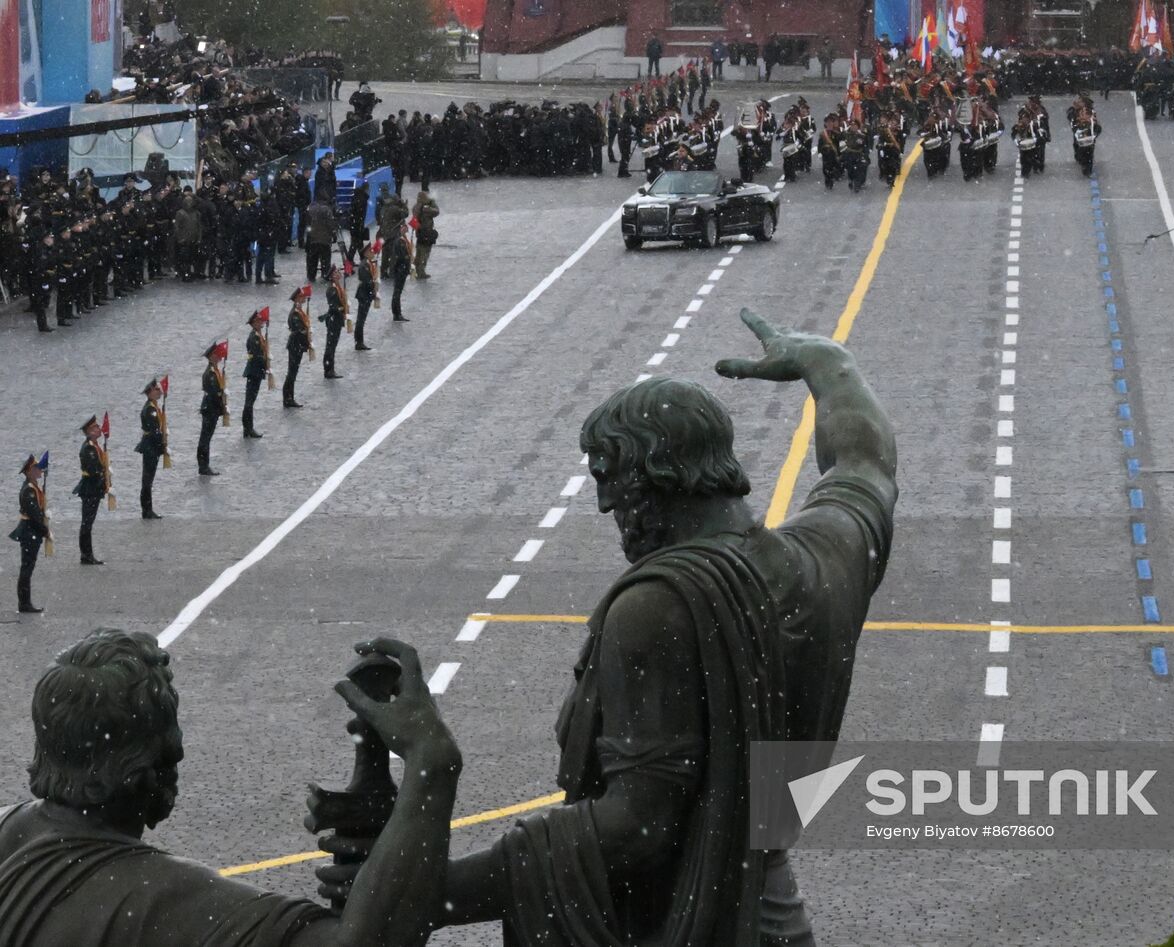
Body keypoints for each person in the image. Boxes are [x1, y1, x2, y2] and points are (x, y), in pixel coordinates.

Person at [317, 309, 897, 944]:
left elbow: (637, 830)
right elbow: (866, 461)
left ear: (657, 480)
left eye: (609, 481)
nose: (605, 507)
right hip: (771, 904)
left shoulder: (657, 608)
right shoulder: (828, 558)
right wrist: (827, 362)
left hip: (677, 922)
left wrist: (431, 890)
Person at [0, 628, 463, 946]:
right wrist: (432, 763)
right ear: (141, 761)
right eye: (171, 727)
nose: (179, 747)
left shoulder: (10, 833)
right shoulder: (166, 898)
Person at [9, 455, 50, 613]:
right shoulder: (29, 490)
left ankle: (25, 602)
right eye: (37, 467)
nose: (40, 470)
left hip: (31, 531)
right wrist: (45, 531)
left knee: (28, 567)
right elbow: (34, 515)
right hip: (29, 531)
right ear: (30, 471)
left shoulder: (33, 486)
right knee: (27, 568)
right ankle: (24, 603)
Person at [74, 417, 108, 565]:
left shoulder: (94, 445)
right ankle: (86, 555)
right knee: (87, 523)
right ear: (88, 432)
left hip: (93, 487)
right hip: (90, 488)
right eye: (95, 427)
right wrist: (103, 475)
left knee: (88, 522)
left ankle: (87, 554)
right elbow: (93, 469)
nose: (99, 428)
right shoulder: (88, 448)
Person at [135, 379, 167, 520]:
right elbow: (154, 431)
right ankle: (147, 510)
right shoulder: (149, 409)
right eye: (157, 389)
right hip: (150, 446)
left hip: (152, 445)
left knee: (149, 479)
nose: (160, 391)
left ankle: (148, 509)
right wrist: (162, 445)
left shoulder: (154, 406)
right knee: (147, 479)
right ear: (150, 392)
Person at [196, 342, 226, 477]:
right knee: (205, 438)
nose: (220, 356)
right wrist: (222, 406)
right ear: (212, 356)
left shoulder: (214, 371)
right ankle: (203, 466)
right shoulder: (210, 374)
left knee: (207, 437)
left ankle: (204, 465)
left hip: (212, 407)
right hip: (210, 408)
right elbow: (214, 393)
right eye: (217, 355)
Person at [242, 309, 269, 438]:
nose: (261, 323)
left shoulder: (258, 335)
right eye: (258, 322)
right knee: (249, 401)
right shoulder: (254, 337)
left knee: (250, 400)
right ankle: (248, 428)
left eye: (260, 321)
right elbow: (257, 355)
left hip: (256, 370)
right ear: (253, 324)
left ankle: (247, 427)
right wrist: (265, 364)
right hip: (254, 371)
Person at [285, 285, 312, 408]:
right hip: (295, 344)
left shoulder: (299, 311)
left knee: (294, 372)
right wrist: (305, 332)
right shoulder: (295, 313)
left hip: (299, 345)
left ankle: (289, 396)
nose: (304, 298)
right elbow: (297, 329)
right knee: (292, 372)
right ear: (296, 299)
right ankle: (288, 397)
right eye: (301, 297)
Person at [321, 267, 347, 379]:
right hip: (334, 319)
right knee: (330, 345)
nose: (338, 274)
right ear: (331, 277)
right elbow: (333, 306)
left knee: (333, 344)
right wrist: (342, 308)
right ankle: (328, 369)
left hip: (337, 319)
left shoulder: (337, 287)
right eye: (335, 273)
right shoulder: (332, 289)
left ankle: (330, 368)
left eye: (338, 272)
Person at [384, 223, 413, 322]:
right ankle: (397, 314)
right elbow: (401, 256)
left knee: (398, 292)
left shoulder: (402, 239)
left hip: (402, 269)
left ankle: (397, 313)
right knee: (397, 292)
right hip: (400, 269)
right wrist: (407, 260)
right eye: (404, 227)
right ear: (400, 229)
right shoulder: (399, 241)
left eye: (406, 228)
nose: (406, 229)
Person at [304, 200, 336, 283]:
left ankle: (311, 276)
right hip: (325, 240)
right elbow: (331, 225)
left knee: (313, 259)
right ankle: (325, 274)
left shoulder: (311, 209)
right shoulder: (327, 210)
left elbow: (307, 224)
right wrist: (333, 234)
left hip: (313, 239)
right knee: (325, 258)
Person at [412, 186, 439, 279]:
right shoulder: (426, 209)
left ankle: (416, 269)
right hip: (426, 232)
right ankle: (421, 272)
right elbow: (436, 212)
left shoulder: (416, 207)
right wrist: (431, 203)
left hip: (419, 233)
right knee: (425, 253)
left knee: (419, 252)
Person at [354, 250, 376, 351]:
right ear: (366, 253)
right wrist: (373, 286)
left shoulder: (368, 264)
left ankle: (359, 341)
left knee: (362, 319)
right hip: (364, 294)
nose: (373, 254)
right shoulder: (364, 266)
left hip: (366, 294)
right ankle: (359, 342)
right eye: (371, 252)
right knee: (361, 319)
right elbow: (367, 281)